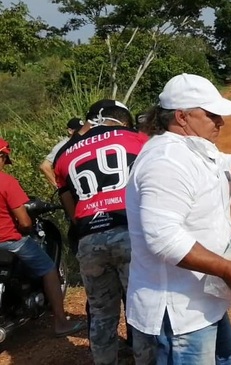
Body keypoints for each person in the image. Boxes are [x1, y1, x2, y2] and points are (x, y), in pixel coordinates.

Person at [125, 73, 231, 365]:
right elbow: (164, 239)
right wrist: (228, 269)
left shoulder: (193, 148)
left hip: (201, 300)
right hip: (179, 311)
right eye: (212, 115)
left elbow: (222, 164)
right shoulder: (165, 161)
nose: (220, 123)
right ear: (182, 117)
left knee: (228, 357)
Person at [53, 99, 147, 365]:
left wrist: (87, 226)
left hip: (89, 237)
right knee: (140, 309)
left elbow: (68, 203)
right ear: (124, 120)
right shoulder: (137, 140)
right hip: (130, 231)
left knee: (101, 312)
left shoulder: (65, 154)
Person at [0, 138, 85, 337]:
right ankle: (61, 323)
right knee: (48, 269)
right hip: (10, 241)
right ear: (2, 155)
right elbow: (25, 221)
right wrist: (25, 229)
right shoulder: (6, 182)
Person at [39, 117, 84, 188]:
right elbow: (45, 166)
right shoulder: (61, 146)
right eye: (79, 130)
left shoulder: (84, 141)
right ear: (70, 131)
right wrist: (61, 188)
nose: (82, 132)